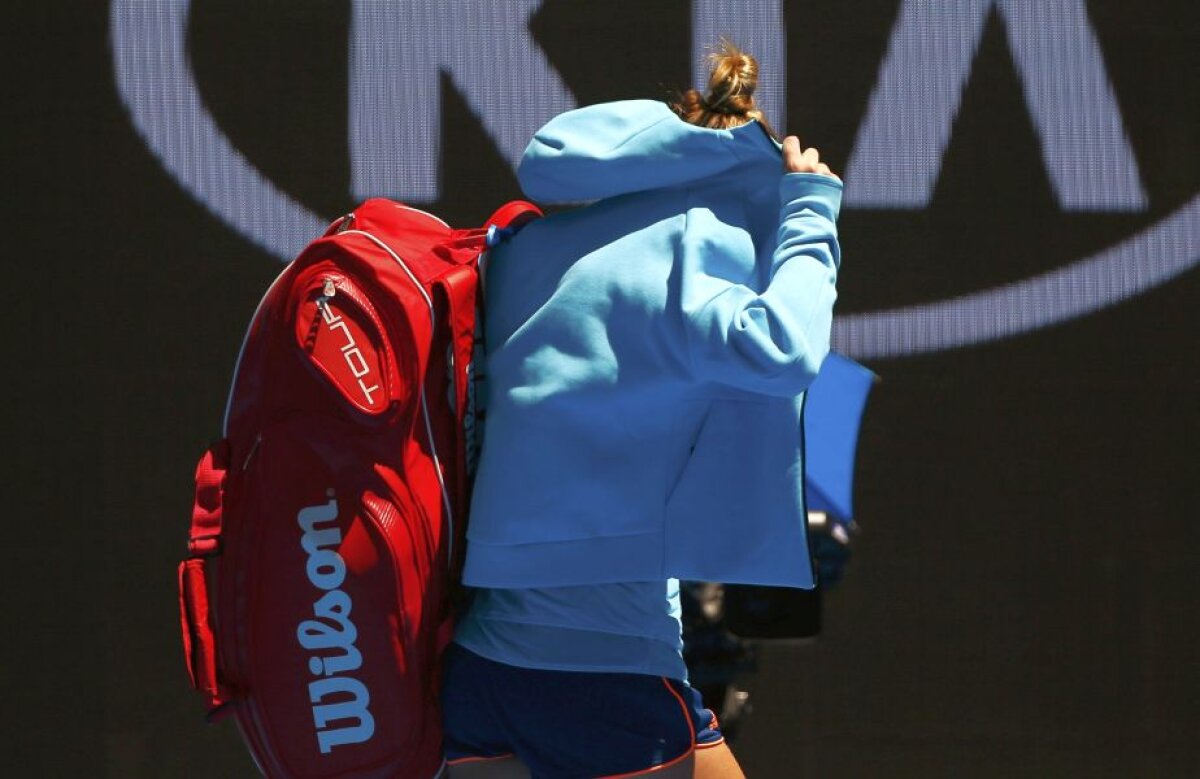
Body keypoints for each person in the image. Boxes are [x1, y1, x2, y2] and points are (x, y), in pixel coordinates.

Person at [442, 41, 842, 778]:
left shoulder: (534, 246)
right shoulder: (693, 246)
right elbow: (783, 347)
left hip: (478, 667)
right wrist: (810, 213)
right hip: (602, 669)